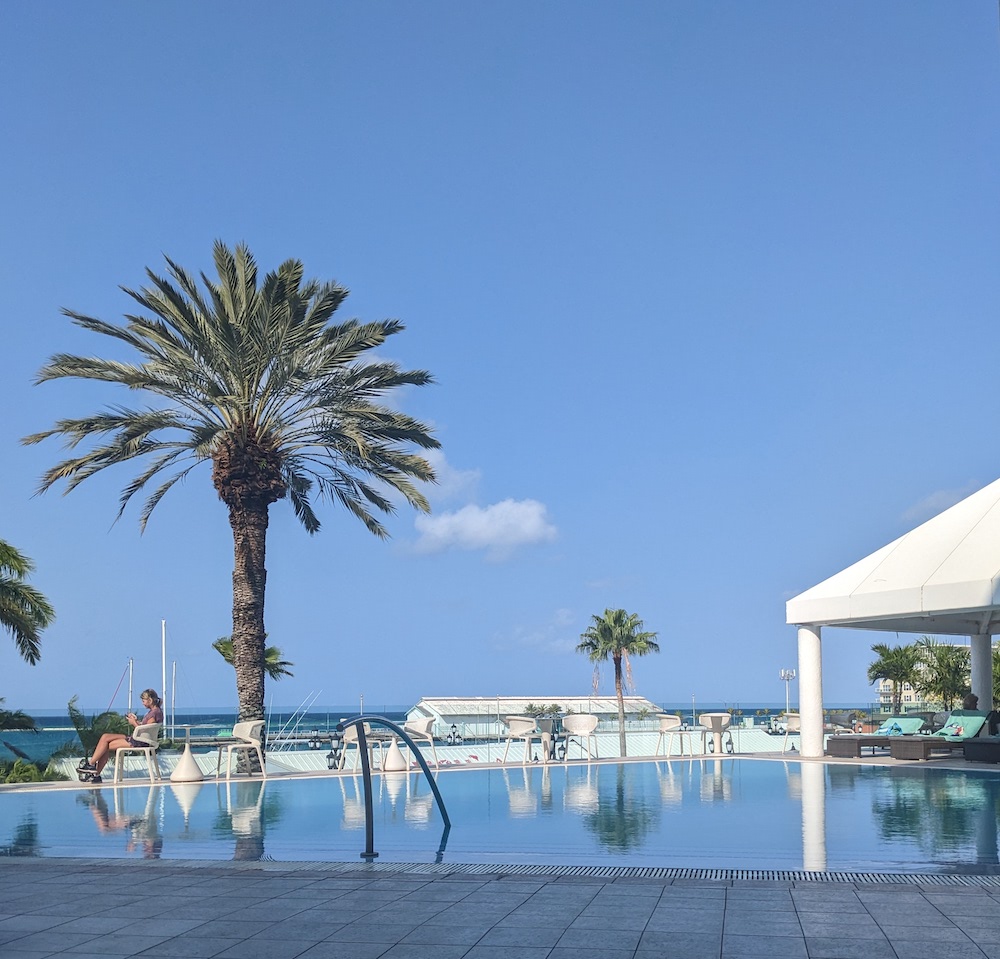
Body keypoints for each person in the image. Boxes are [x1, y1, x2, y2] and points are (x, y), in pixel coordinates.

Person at [78, 689, 163, 783]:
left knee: (105, 745)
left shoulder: (154, 713)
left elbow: (144, 730)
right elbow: (146, 727)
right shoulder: (156, 712)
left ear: (150, 700)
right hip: (138, 738)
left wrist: (133, 723)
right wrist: (136, 720)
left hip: (139, 741)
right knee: (105, 737)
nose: (142, 703)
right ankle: (93, 769)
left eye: (143, 701)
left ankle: (93, 768)